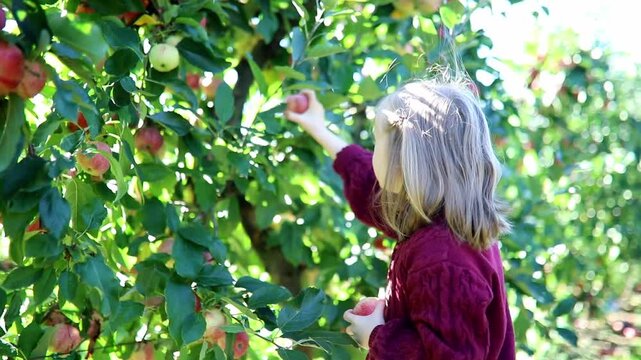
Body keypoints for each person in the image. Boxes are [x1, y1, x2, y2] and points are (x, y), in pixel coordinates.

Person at [284, 76, 515, 359]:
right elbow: (370, 185)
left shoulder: (442, 260)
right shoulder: (439, 222)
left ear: (400, 162)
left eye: (377, 140)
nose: (372, 153)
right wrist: (318, 128)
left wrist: (377, 337)